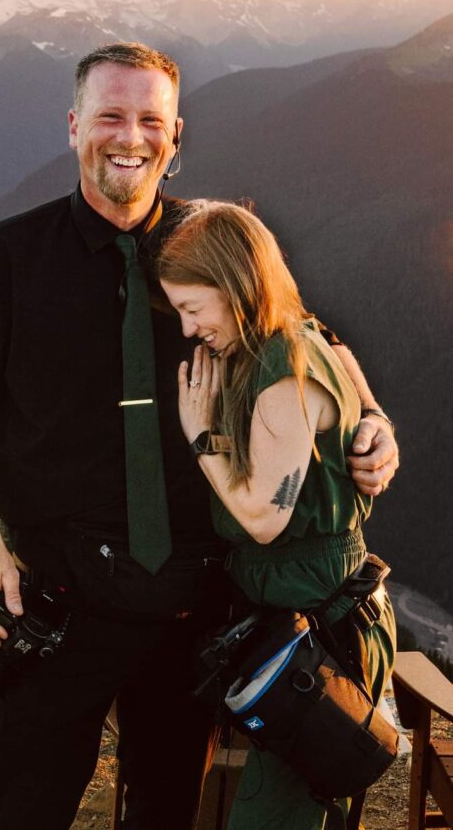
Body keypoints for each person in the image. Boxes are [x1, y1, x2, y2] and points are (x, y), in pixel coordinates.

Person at [0, 42, 399, 830]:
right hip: (61, 594)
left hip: (200, 602)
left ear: (176, 138)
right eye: (109, 116)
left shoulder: (211, 245)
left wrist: (375, 423)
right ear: (74, 125)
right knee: (22, 806)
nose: (128, 137)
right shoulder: (5, 258)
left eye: (150, 120)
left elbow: (313, 340)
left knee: (168, 808)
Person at [157, 200, 397, 829]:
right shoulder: (289, 338)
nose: (187, 329)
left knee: (278, 817)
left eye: (191, 308)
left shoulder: (281, 369)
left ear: (234, 285)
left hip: (320, 630)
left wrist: (201, 434)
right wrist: (374, 413)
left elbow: (265, 518)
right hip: (308, 617)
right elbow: (334, 347)